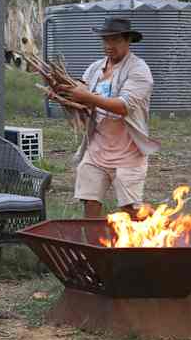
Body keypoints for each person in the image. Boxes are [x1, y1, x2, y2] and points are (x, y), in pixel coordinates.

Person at [53, 16, 159, 218]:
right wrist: (62, 95)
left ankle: (162, 230)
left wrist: (87, 96)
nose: (110, 45)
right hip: (97, 150)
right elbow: (82, 98)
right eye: (106, 40)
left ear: (128, 41)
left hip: (129, 153)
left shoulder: (139, 70)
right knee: (90, 202)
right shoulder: (95, 68)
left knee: (131, 210)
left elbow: (123, 106)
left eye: (116, 40)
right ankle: (94, 245)